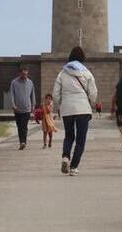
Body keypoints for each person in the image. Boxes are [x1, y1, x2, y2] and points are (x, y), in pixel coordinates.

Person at [52, 46, 98, 176]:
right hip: (83, 109)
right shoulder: (87, 73)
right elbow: (93, 92)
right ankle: (73, 167)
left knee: (69, 136)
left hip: (67, 109)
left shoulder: (62, 73)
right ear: (82, 58)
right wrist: (92, 103)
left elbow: (55, 94)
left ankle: (65, 157)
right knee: (80, 139)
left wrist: (60, 104)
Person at [9, 65, 36, 150]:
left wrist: (33, 105)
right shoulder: (14, 82)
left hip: (27, 108)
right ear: (20, 73)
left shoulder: (30, 82)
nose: (25, 76)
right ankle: (21, 141)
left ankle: (23, 142)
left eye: (26, 74)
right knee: (19, 126)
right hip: (17, 109)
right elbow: (12, 94)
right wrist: (13, 104)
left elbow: (33, 94)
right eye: (23, 74)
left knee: (24, 125)